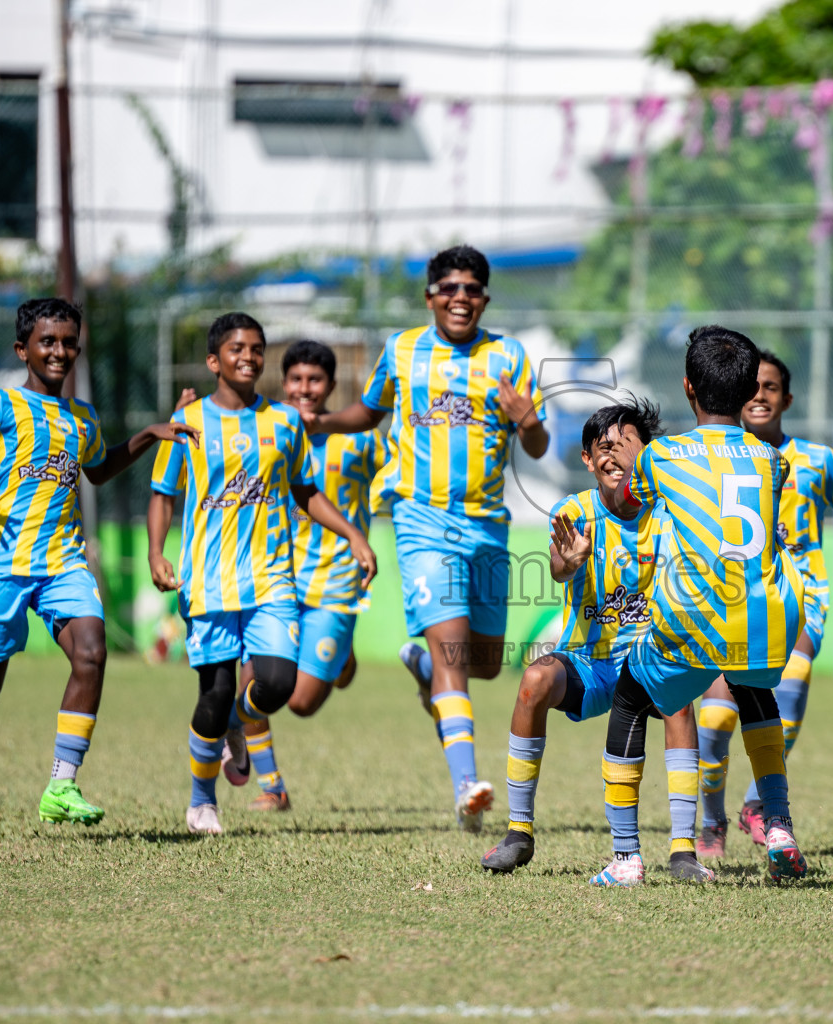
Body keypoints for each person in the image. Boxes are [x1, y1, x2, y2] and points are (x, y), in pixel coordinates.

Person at [0, 297, 198, 829]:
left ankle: (61, 784)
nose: (60, 351)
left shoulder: (81, 418)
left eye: (69, 342)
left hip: (62, 563)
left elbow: (98, 468)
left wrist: (149, 435)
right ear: (24, 349)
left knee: (91, 651)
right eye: (48, 341)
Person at [302, 245, 547, 831]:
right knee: (453, 661)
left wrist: (528, 419)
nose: (461, 299)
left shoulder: (509, 356)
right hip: (421, 519)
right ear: (430, 295)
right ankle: (467, 786)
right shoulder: (404, 350)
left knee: (482, 663)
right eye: (450, 289)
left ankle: (417, 663)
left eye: (473, 290)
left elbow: (536, 446)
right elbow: (368, 412)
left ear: (485, 299)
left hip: (488, 525)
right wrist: (322, 421)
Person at [591, 325, 807, 887]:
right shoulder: (770, 458)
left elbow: (627, 504)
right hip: (767, 612)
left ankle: (625, 859)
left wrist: (630, 461)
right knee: (756, 696)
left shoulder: (661, 456)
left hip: (693, 610)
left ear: (688, 387)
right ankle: (778, 825)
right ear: (748, 394)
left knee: (631, 703)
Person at [147, 313, 376, 836]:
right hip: (207, 580)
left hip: (273, 578)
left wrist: (354, 535)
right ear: (214, 361)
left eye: (256, 348)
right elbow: (163, 494)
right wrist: (157, 553)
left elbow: (306, 492)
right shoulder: (188, 421)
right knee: (215, 691)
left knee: (277, 683)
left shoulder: (284, 422)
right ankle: (202, 801)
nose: (248, 356)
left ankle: (236, 721)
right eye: (236, 349)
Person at [479, 400, 713, 883]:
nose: (613, 456)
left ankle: (683, 851)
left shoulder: (671, 514)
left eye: (626, 446)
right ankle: (519, 832)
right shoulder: (573, 513)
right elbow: (559, 569)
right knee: (534, 681)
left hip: (651, 659)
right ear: (587, 459)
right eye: (602, 447)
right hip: (593, 662)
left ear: (646, 456)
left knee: (680, 704)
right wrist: (570, 561)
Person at [692, 351, 833, 857]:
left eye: (771, 387)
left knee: (790, 694)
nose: (760, 395)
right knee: (712, 724)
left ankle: (758, 804)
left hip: (799, 599)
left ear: (787, 398)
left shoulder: (817, 461)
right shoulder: (713, 458)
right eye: (752, 386)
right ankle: (711, 820)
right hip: (728, 599)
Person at [209, 341, 388, 811]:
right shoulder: (266, 432)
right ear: (282, 382)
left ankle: (340, 660)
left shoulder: (361, 439)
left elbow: (398, 479)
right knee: (255, 678)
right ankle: (274, 788)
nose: (304, 389)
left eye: (315, 380)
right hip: (272, 578)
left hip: (336, 581)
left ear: (330, 386)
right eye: (295, 379)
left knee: (302, 703)